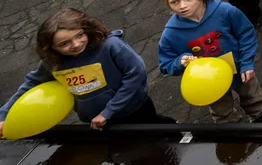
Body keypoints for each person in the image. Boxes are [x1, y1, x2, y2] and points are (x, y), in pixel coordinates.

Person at [0, 9, 170, 135]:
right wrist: (3, 115)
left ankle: (173, 129)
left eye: (79, 35)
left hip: (133, 108)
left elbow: (136, 73)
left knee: (153, 130)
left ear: (87, 29)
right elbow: (31, 84)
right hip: (95, 119)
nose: (75, 44)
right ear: (50, 47)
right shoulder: (52, 63)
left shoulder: (110, 47)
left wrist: (108, 111)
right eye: (64, 44)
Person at [157, 0, 262, 123]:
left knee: (253, 98)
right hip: (208, 81)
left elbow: (246, 34)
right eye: (174, 2)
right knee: (222, 112)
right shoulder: (171, 33)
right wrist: (179, 62)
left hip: (239, 68)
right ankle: (237, 134)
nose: (182, 6)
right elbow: (165, 63)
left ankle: (261, 120)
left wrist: (247, 63)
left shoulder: (225, 11)